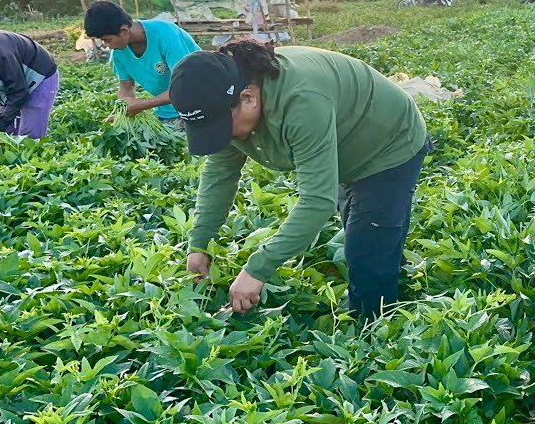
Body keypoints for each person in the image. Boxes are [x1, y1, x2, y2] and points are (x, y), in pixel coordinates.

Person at [173, 38, 430, 317]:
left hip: (388, 142)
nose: (225, 138)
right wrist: (199, 244)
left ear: (248, 98)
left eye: (223, 128)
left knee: (366, 254)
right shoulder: (228, 99)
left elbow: (317, 201)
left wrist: (257, 270)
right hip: (342, 142)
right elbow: (219, 176)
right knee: (369, 234)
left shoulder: (301, 102)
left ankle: (375, 333)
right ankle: (395, 276)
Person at [83, 0, 201, 129]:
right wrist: (123, 112)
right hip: (167, 113)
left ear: (124, 30)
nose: (106, 45)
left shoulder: (166, 35)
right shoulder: (119, 53)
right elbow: (126, 86)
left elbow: (186, 86)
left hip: (201, 106)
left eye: (107, 40)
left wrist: (142, 104)